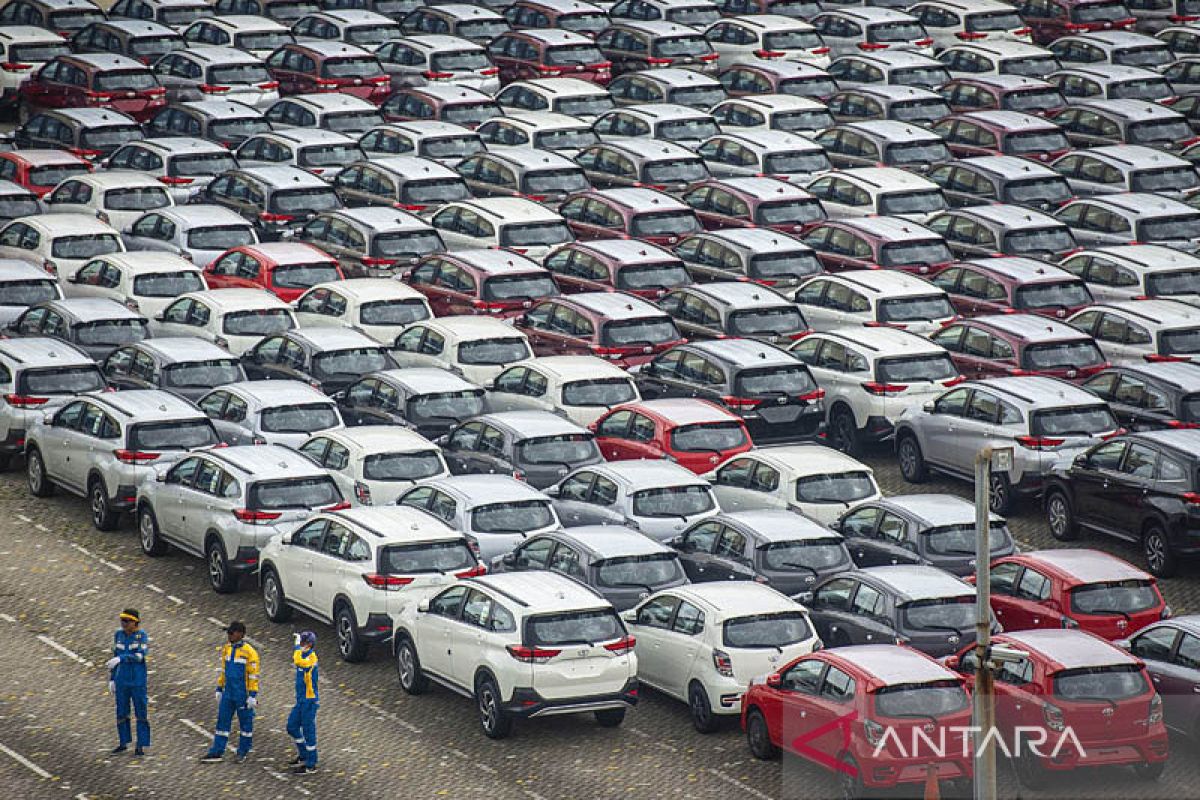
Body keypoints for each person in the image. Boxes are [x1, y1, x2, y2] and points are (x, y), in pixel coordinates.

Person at [200, 621, 259, 764]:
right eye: (228, 632)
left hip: (242, 694)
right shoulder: (227, 649)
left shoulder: (250, 653)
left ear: (240, 634)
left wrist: (252, 695)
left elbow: (253, 676)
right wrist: (219, 688)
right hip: (228, 692)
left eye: (231, 633)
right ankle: (217, 751)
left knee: (245, 724)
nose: (229, 635)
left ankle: (243, 751)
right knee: (222, 722)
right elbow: (224, 670)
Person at [107, 609, 150, 756]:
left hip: (137, 680)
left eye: (127, 621)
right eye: (122, 621)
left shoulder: (141, 636)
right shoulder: (118, 635)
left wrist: (122, 659)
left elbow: (139, 655)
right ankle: (123, 742)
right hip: (122, 679)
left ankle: (141, 745)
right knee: (121, 712)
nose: (124, 624)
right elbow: (114, 657)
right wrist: (112, 679)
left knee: (141, 712)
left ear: (135, 622)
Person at [286, 631, 319, 775]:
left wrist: (296, 648)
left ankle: (311, 764)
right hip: (301, 700)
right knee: (291, 726)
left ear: (309, 645)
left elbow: (298, 661)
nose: (300, 646)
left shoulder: (311, 658)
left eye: (302, 643)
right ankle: (304, 754)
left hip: (309, 701)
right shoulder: (302, 655)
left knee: (308, 732)